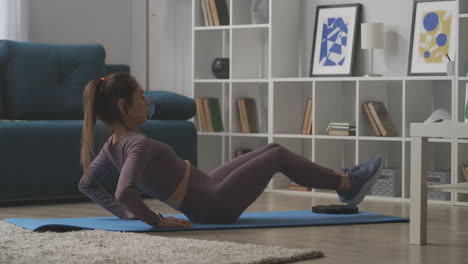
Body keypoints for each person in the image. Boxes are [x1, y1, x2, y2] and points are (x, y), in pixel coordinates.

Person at [79, 72, 382, 229]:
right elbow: (123, 191)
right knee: (276, 157)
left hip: (207, 187)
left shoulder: (113, 145)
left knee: (273, 148)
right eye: (141, 96)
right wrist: (152, 219)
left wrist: (126, 214)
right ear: (123, 106)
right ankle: (347, 183)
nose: (146, 102)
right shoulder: (138, 144)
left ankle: (345, 182)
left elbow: (87, 183)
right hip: (213, 204)